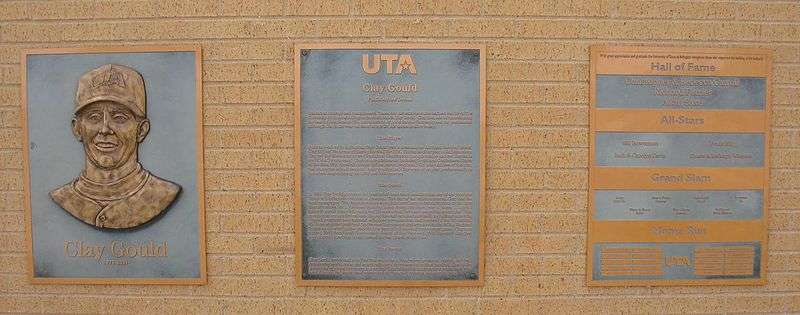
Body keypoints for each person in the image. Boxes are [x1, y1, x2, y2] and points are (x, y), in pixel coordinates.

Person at [50, 64, 180, 229]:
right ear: (77, 129)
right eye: (94, 117)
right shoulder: (63, 197)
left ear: (141, 130)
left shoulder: (161, 194)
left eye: (119, 117)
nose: (105, 129)